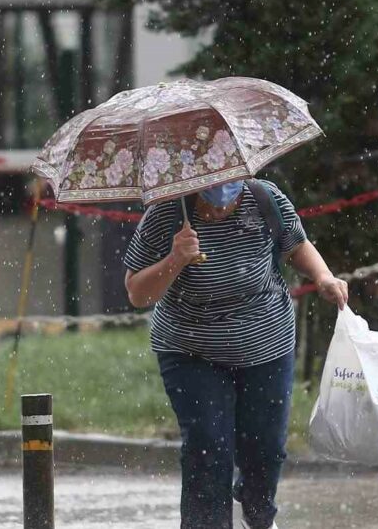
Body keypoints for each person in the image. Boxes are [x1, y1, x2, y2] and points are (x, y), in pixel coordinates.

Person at [124, 178, 347, 529]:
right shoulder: (166, 213)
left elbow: (296, 245)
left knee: (266, 448)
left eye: (231, 188)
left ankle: (258, 515)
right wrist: (175, 259)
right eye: (212, 193)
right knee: (207, 447)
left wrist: (323, 277)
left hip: (267, 343)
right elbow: (137, 293)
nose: (222, 200)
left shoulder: (264, 198)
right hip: (191, 349)